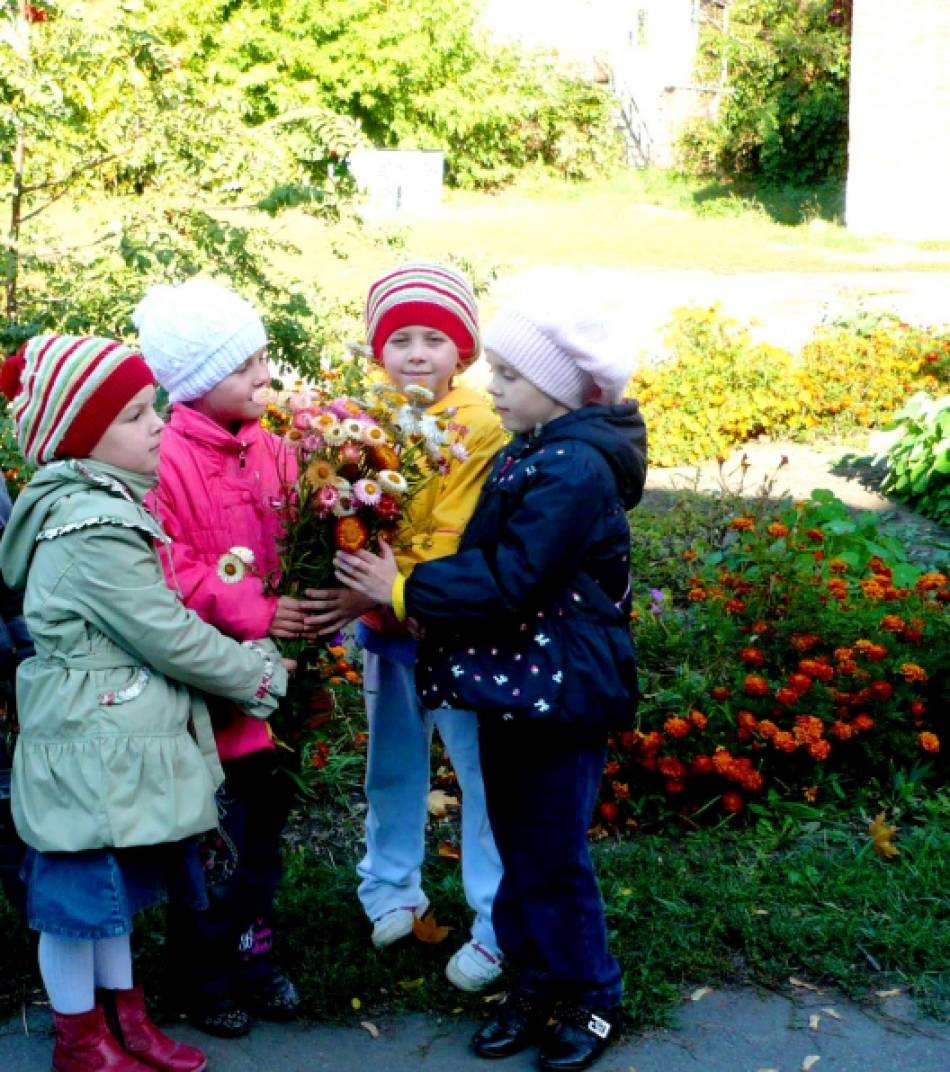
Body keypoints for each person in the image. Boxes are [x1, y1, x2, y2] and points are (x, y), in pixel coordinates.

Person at [333, 297, 647, 1071]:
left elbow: (510, 577)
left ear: (563, 388)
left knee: (554, 854)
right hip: (519, 685)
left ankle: (592, 996)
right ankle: (536, 984)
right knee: (519, 840)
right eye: (495, 372)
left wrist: (401, 589)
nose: (493, 386)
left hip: (560, 691)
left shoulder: (573, 467)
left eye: (509, 374)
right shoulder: (532, 448)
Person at [0, 334, 290, 1072]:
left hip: (105, 742)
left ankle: (127, 1023)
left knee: (111, 896)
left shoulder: (105, 507)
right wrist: (259, 672)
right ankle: (81, 1039)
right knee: (77, 905)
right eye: (134, 415)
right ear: (81, 438)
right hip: (84, 746)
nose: (159, 421)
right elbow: (168, 635)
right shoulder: (91, 528)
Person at [310, 263, 507, 991]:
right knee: (392, 763)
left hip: (449, 629)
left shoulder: (479, 425)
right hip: (386, 632)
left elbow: (457, 529)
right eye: (400, 340)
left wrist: (391, 586)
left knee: (477, 772)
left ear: (463, 352)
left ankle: (494, 917)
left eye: (435, 339)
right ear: (377, 352)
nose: (417, 353)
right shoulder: (360, 417)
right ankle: (389, 888)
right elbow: (337, 510)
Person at [132, 277, 319, 1037]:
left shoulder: (276, 453)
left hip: (282, 682)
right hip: (209, 685)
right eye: (246, 367)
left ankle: (255, 951)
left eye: (263, 361)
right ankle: (202, 975)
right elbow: (168, 571)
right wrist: (266, 611)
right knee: (215, 837)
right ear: (201, 380)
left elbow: (304, 542)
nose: (264, 378)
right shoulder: (164, 460)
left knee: (264, 831)